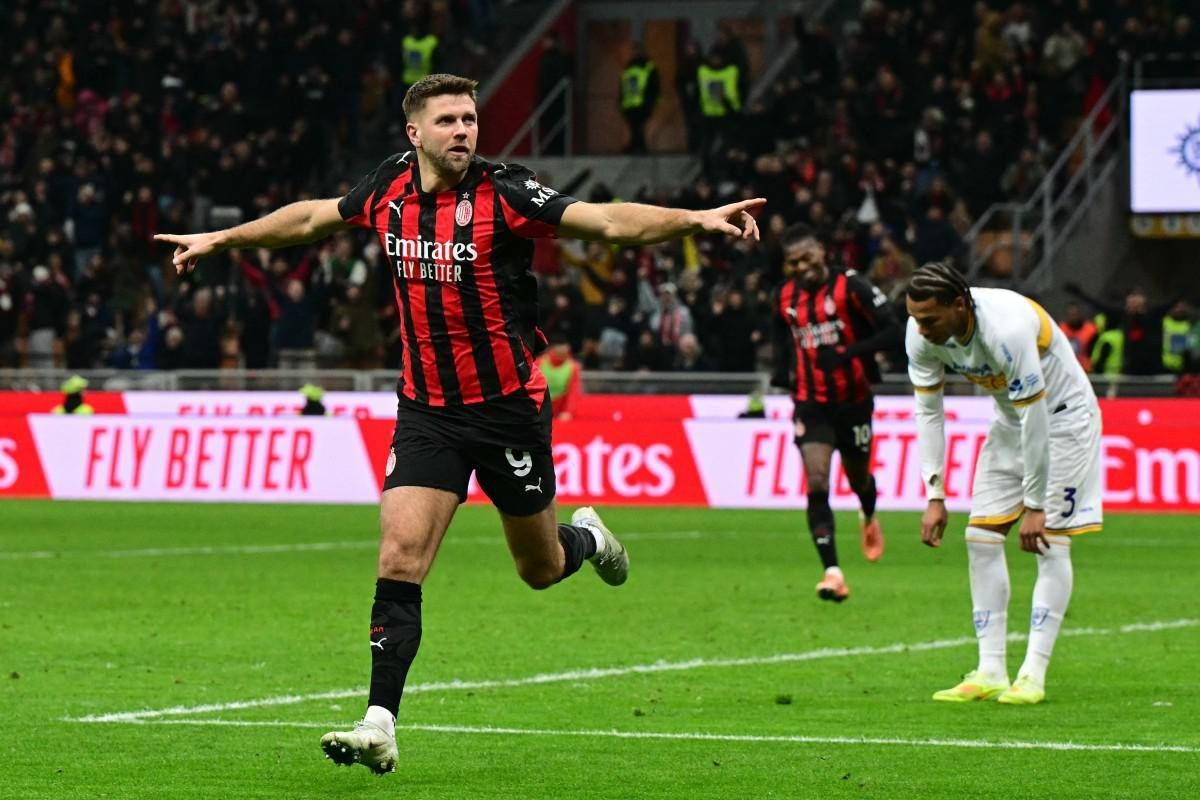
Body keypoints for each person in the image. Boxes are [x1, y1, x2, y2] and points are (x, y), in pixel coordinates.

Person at [154, 73, 763, 775]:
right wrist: (222, 238)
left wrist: (695, 219)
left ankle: (589, 538)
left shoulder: (506, 192)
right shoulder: (387, 188)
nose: (463, 131)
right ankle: (380, 723)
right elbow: (312, 218)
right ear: (414, 133)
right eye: (447, 120)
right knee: (399, 558)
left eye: (470, 119)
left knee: (539, 568)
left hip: (508, 410)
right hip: (428, 410)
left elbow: (605, 222)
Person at [905, 262, 1102, 705]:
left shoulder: (1007, 327)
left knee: (1049, 542)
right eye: (915, 318)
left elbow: (1037, 416)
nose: (921, 329)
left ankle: (1033, 675)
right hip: (1011, 422)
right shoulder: (920, 336)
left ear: (959, 305)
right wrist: (934, 494)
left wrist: (1035, 505)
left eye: (929, 319)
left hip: (1064, 421)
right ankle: (991, 670)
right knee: (980, 539)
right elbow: (928, 412)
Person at [769, 223, 899, 603]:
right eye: (793, 262)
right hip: (811, 404)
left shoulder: (851, 285)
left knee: (858, 479)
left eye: (806, 257)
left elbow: (894, 331)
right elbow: (780, 338)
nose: (801, 266)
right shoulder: (783, 296)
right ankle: (833, 572)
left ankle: (868, 514)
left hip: (854, 401)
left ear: (822, 251)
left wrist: (847, 353)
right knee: (817, 481)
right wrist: (782, 374)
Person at [619, 45, 659, 154]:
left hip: (642, 103)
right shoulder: (629, 67)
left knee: (638, 127)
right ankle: (637, 146)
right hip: (630, 103)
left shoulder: (648, 66)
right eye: (634, 51)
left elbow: (654, 86)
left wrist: (651, 100)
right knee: (635, 127)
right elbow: (623, 85)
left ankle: (638, 147)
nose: (634, 53)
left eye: (637, 51)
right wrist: (621, 101)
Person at [535, 335, 582, 421]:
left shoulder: (573, 367)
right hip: (539, 410)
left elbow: (573, 392)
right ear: (552, 348)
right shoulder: (539, 363)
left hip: (560, 413)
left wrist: (568, 411)